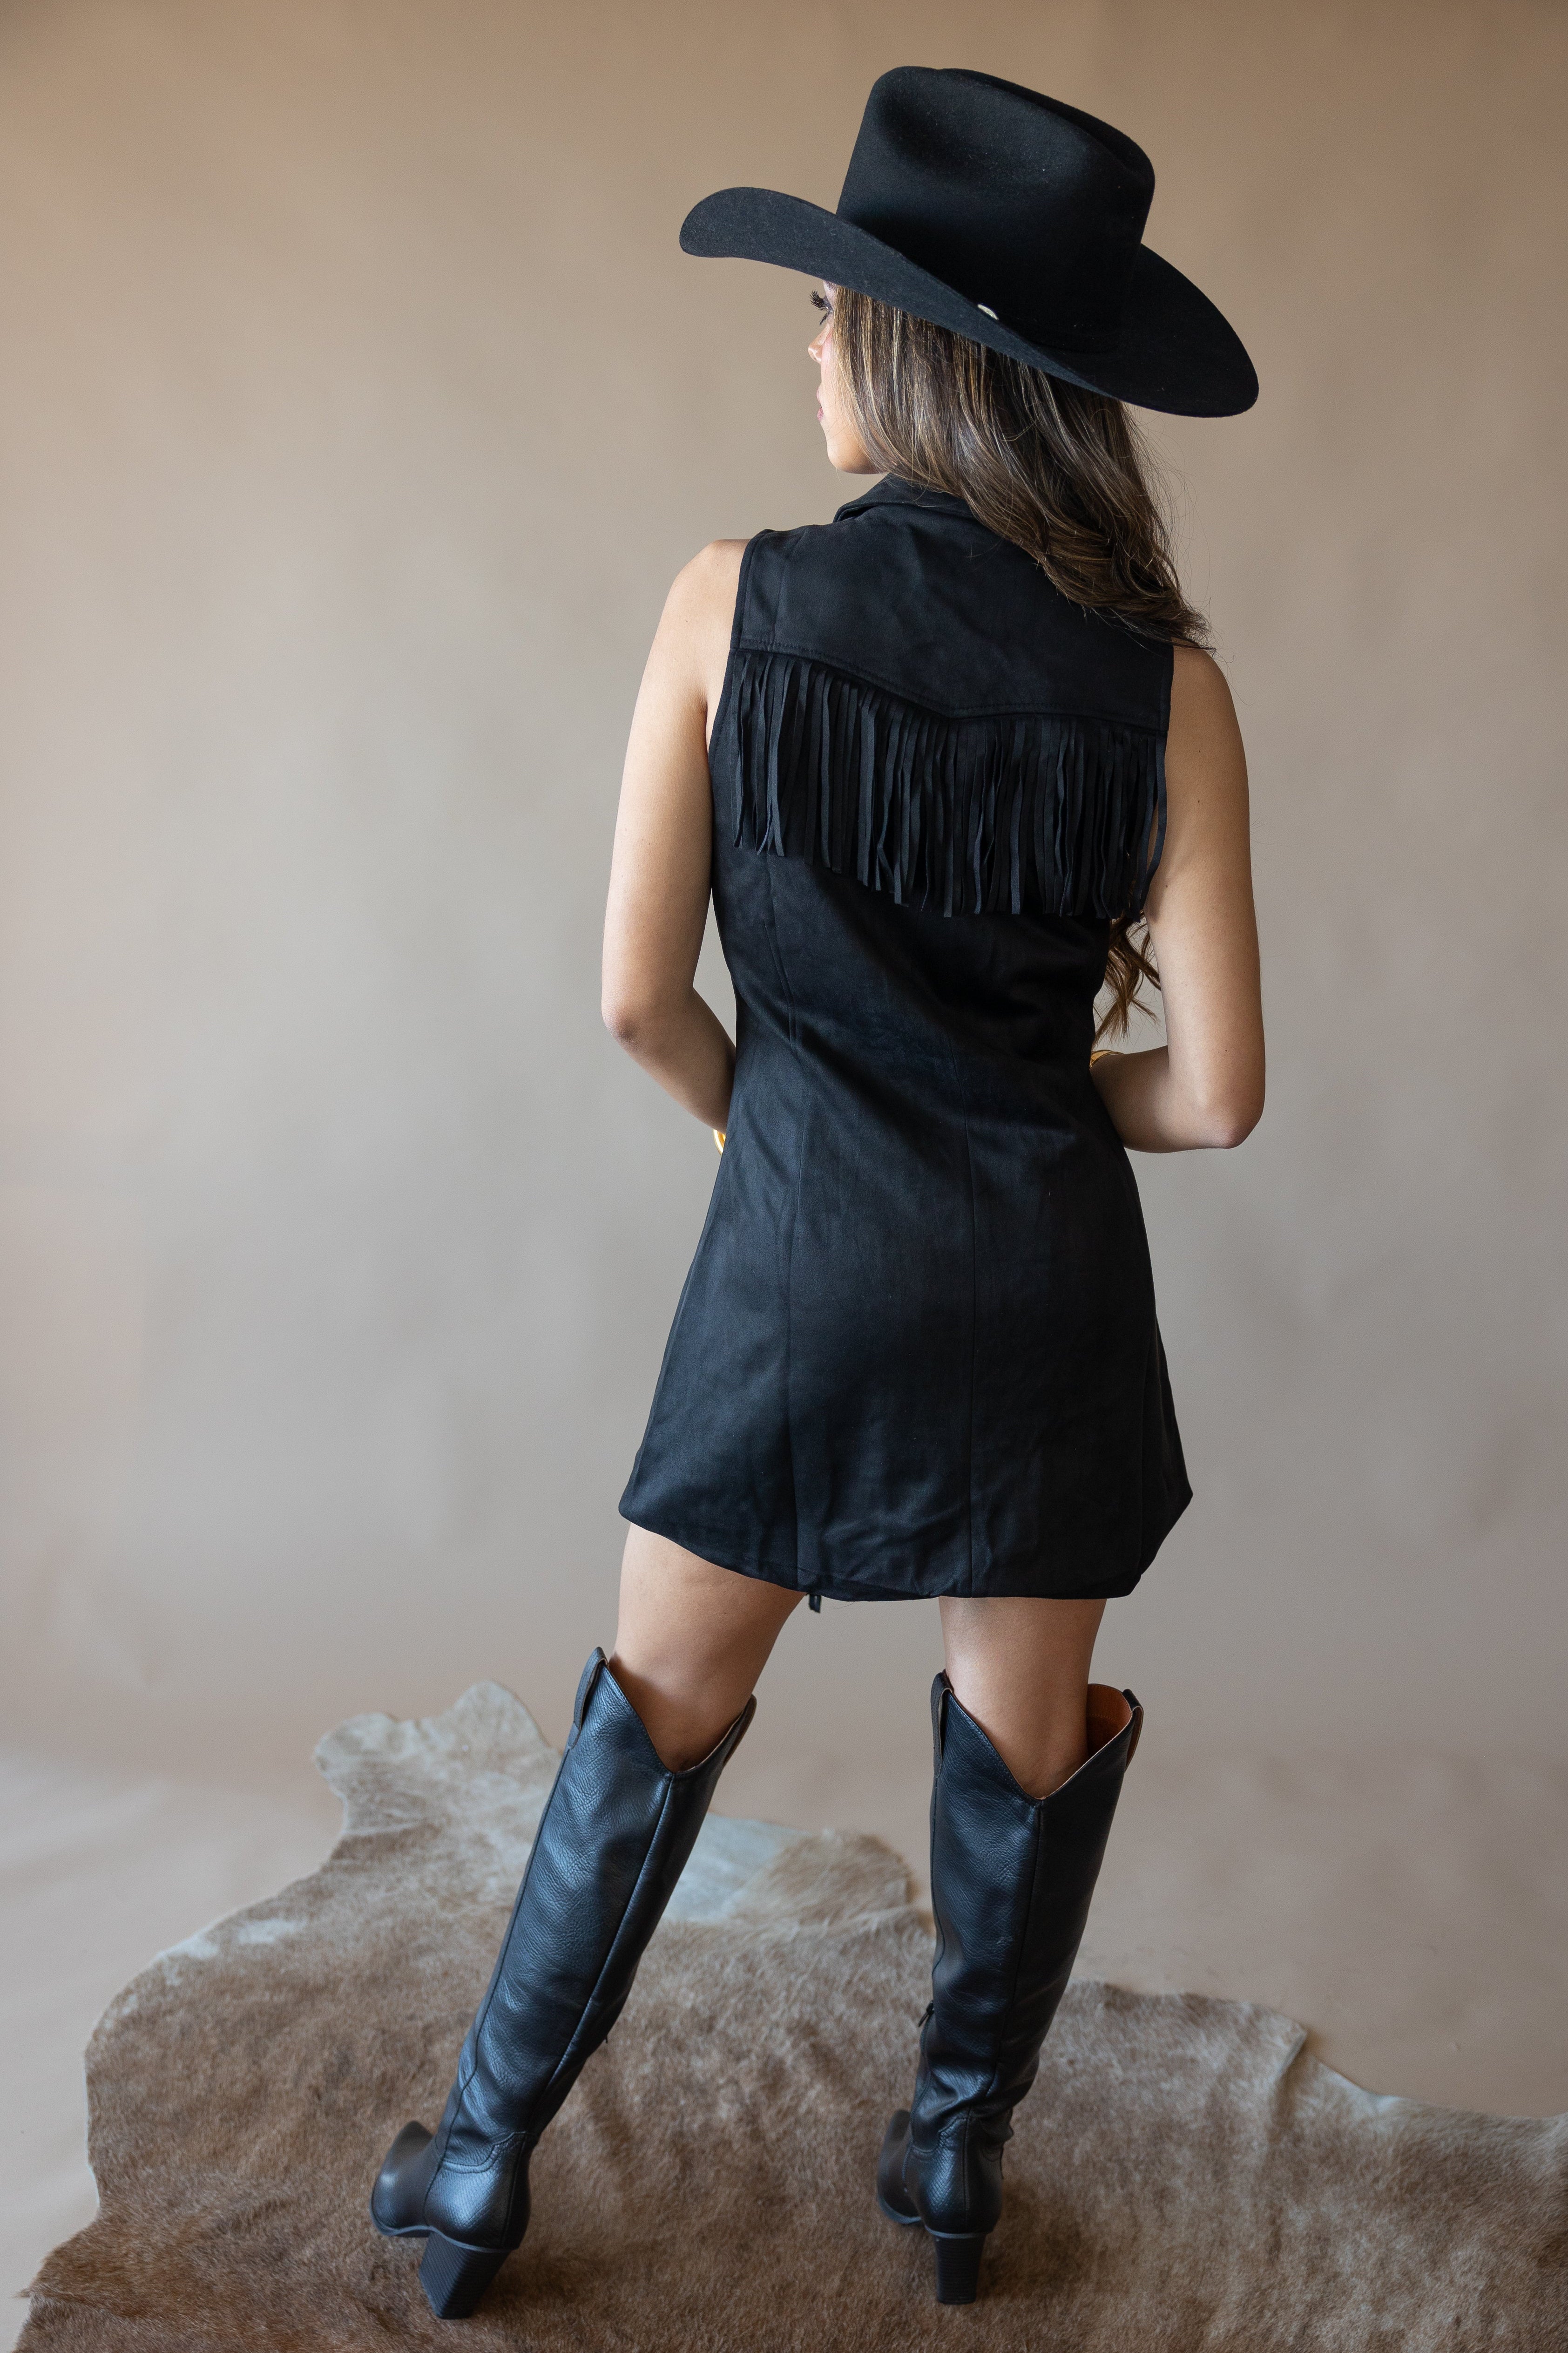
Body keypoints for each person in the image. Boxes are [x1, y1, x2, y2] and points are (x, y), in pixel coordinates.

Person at [372, 66, 1264, 2317]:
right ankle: (950, 2174)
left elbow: (633, 1008)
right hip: (1047, 1289)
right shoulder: (1163, 685)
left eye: (832, 306)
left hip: (797, 1270)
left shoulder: (721, 600)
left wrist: (800, 1138)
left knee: (650, 1719)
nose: (804, 340)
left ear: (918, 345)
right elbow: (1220, 1094)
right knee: (1020, 1741)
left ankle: (478, 2167)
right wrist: (1021, 1109)